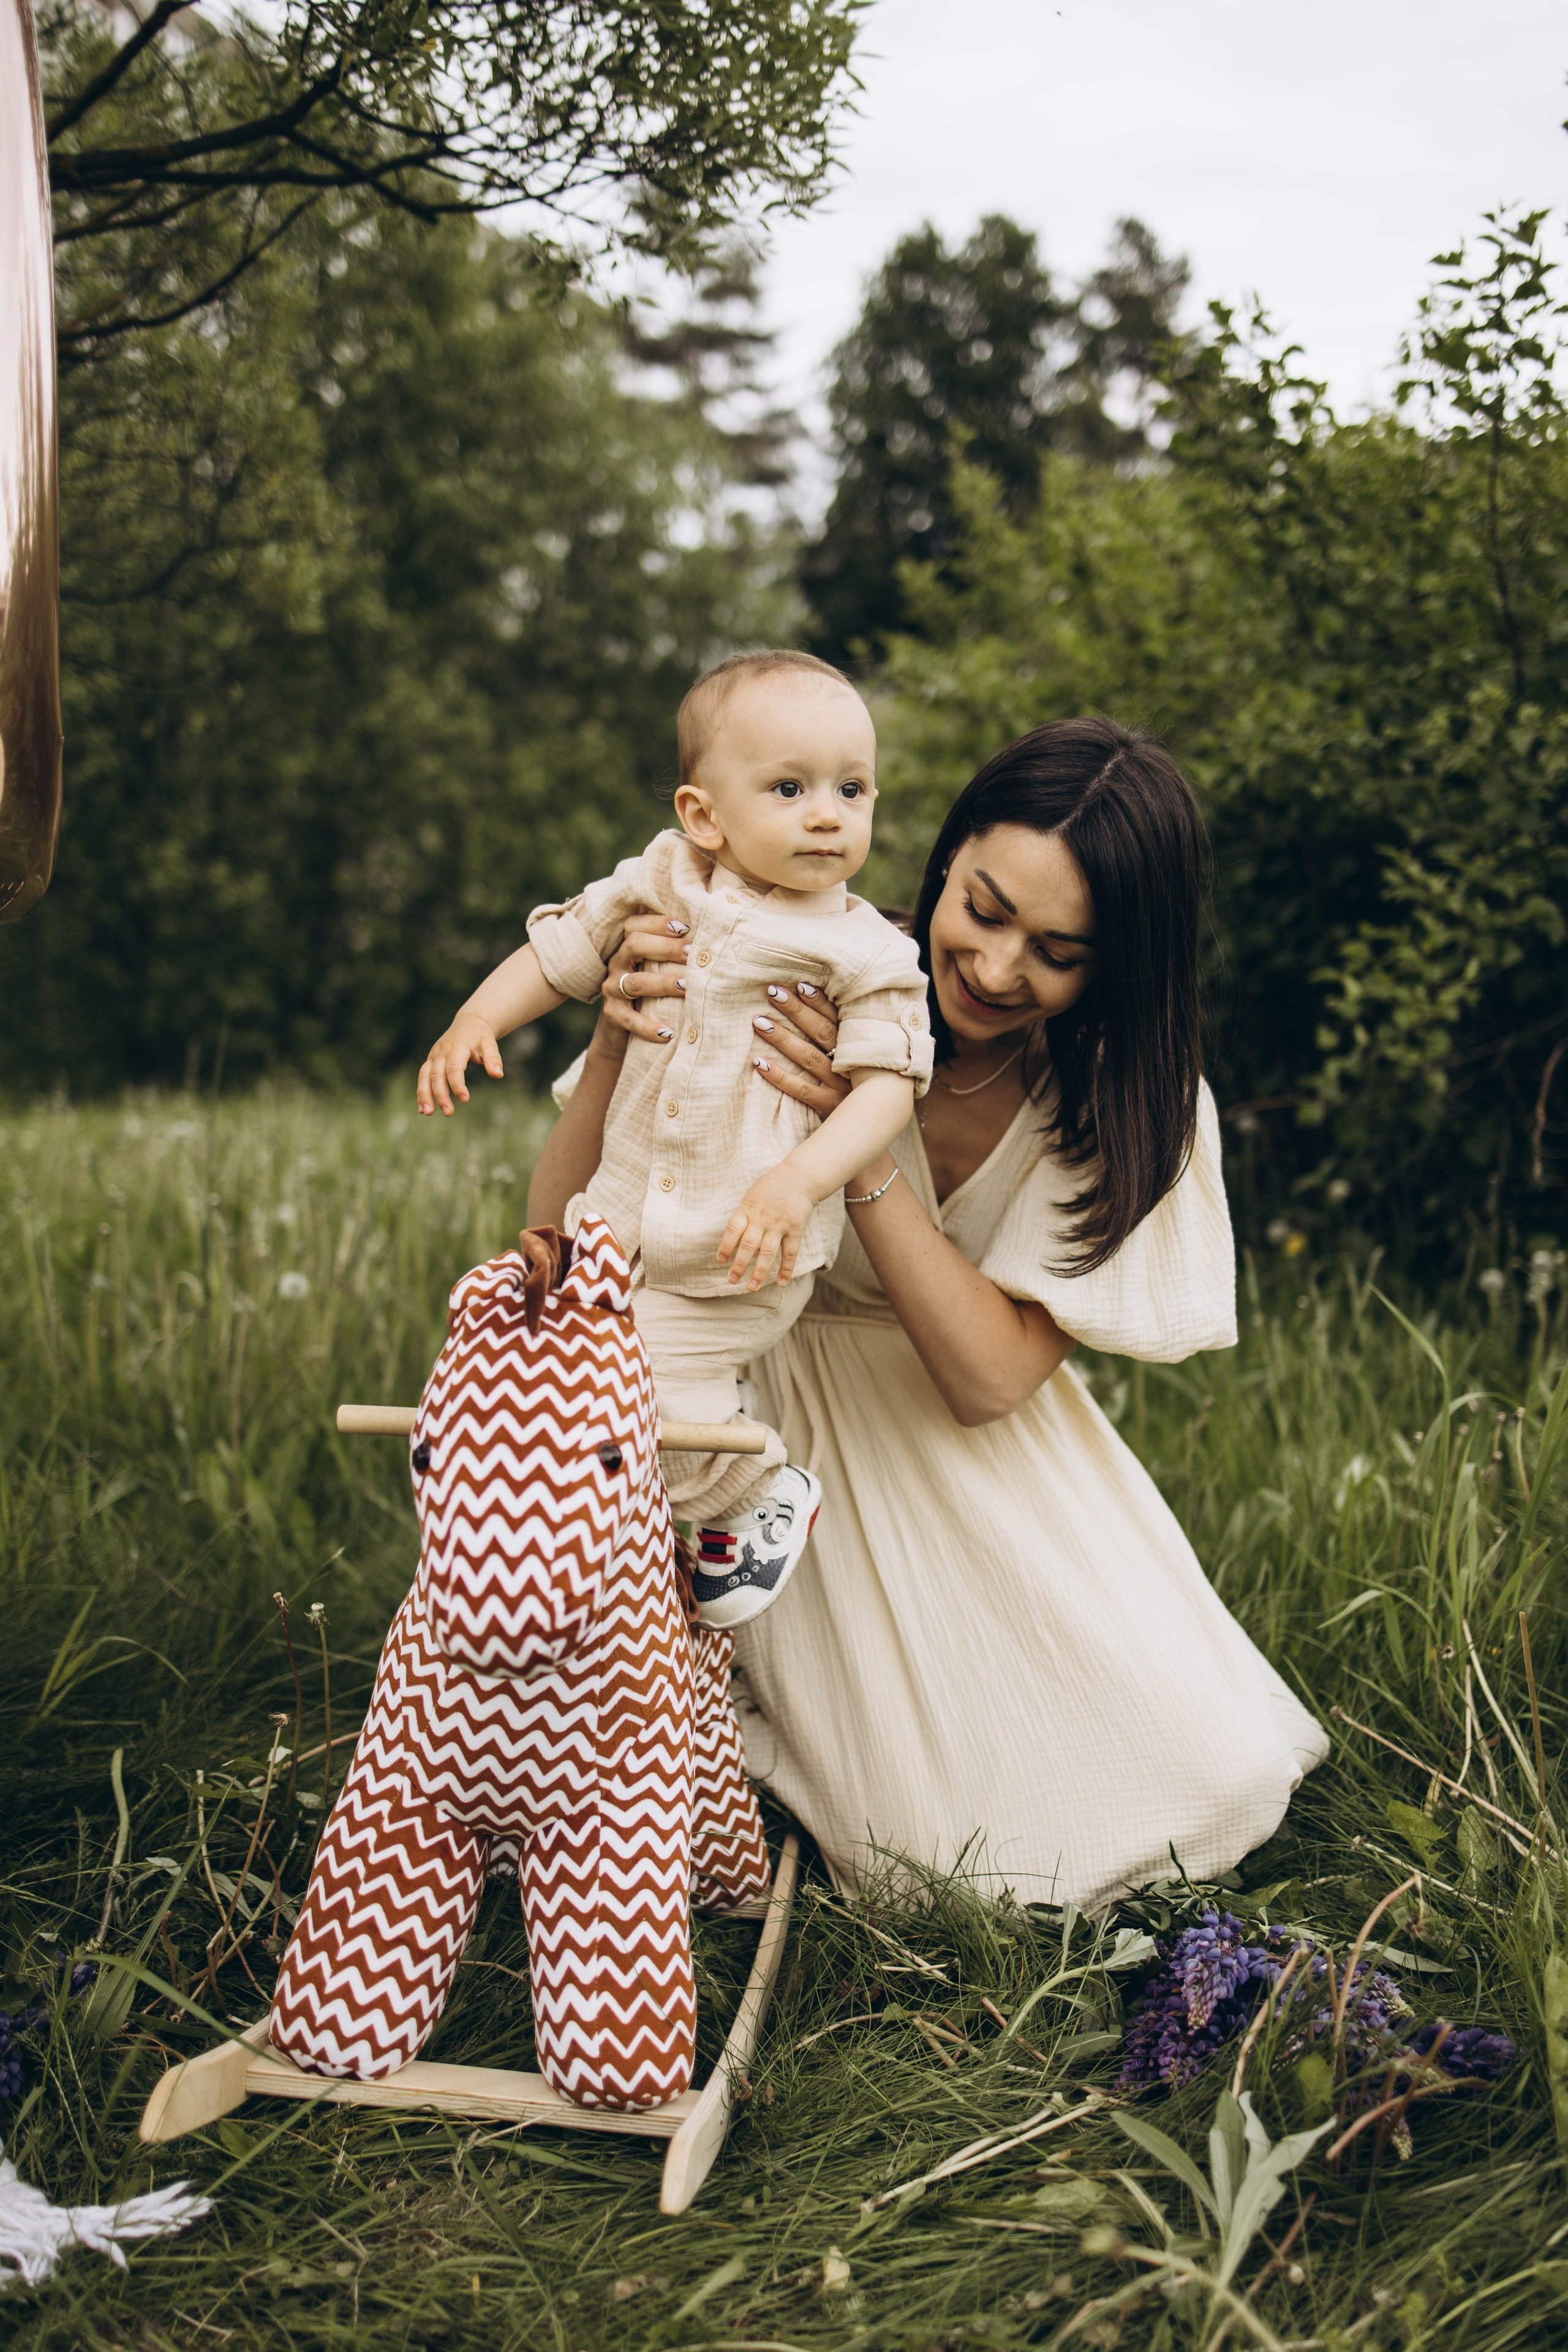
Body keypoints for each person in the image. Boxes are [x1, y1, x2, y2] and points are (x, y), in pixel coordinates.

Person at [530, 714, 1329, 1910]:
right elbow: (558, 1244)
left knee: (1198, 1774)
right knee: (922, 1849)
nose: (1000, 970)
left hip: (964, 1444)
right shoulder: (791, 963)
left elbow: (986, 1379)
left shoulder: (1121, 1099)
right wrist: (610, 1050)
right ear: (943, 856)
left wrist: (860, 1149)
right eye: (986, 909)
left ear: (1117, 964)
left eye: (1058, 952)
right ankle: (710, 1753)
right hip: (743, 1405)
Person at [417, 649, 933, 1628]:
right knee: (561, 1376)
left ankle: (755, 1496)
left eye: (853, 788)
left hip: (742, 1242)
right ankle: (602, 1576)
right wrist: (475, 1021)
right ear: (703, 815)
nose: (829, 812)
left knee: (629, 1385)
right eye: (790, 788)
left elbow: (886, 1090)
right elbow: (561, 949)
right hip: (616, 1227)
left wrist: (797, 1181)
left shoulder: (867, 946)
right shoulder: (661, 878)